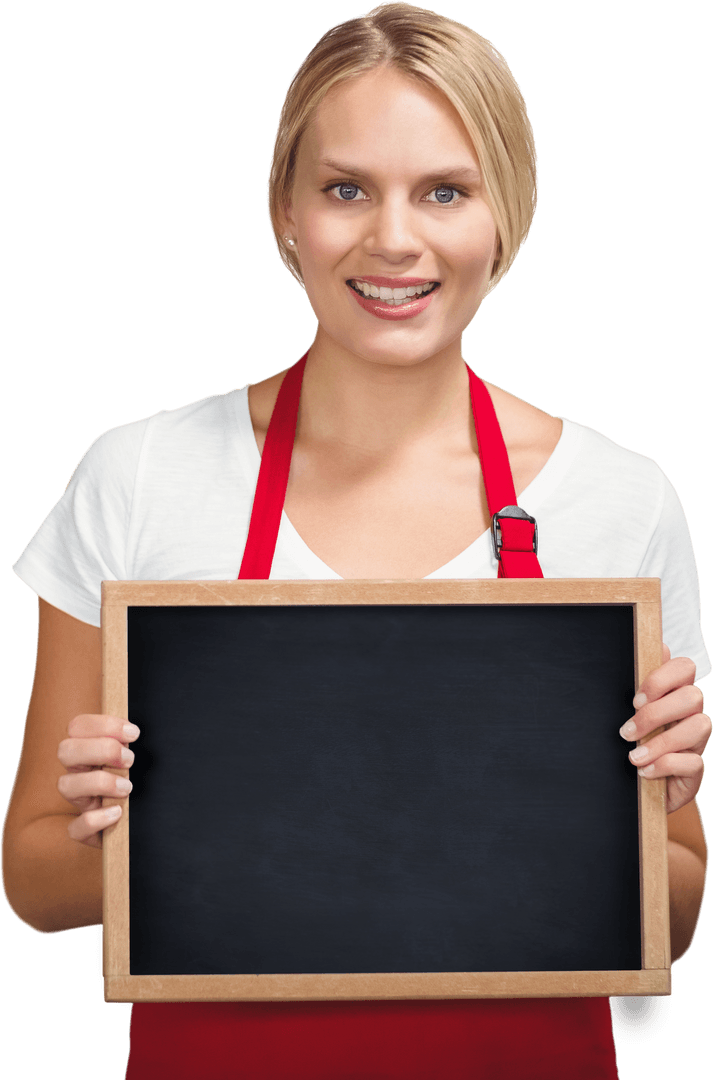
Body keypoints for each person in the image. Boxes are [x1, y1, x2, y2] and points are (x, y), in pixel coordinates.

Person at [2, 2, 709, 1077]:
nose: (392, 238)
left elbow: (675, 919)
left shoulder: (619, 500)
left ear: (503, 215)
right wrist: (135, 831)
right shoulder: (138, 476)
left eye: (443, 190)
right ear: (285, 211)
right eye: (344, 189)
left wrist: (627, 813)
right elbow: (32, 884)